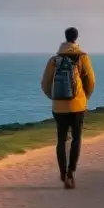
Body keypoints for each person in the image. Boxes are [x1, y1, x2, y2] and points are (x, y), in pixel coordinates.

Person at [40, 27, 96, 189]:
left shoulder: (54, 60)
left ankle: (63, 173)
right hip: (78, 105)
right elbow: (91, 81)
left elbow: (44, 83)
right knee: (76, 138)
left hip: (59, 107)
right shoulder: (82, 57)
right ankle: (71, 172)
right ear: (76, 39)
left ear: (65, 39)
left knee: (61, 140)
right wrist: (84, 98)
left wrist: (54, 97)